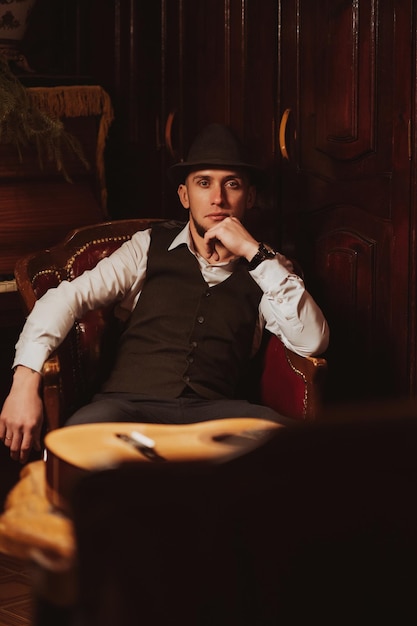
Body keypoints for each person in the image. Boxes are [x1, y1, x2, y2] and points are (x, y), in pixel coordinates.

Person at [0, 123, 329, 463]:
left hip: (218, 415)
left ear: (251, 196)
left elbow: (312, 342)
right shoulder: (146, 246)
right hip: (126, 408)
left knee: (295, 451)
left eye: (232, 184)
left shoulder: (267, 268)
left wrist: (254, 252)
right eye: (204, 183)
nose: (218, 198)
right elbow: (65, 298)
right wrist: (24, 381)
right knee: (79, 452)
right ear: (185, 195)